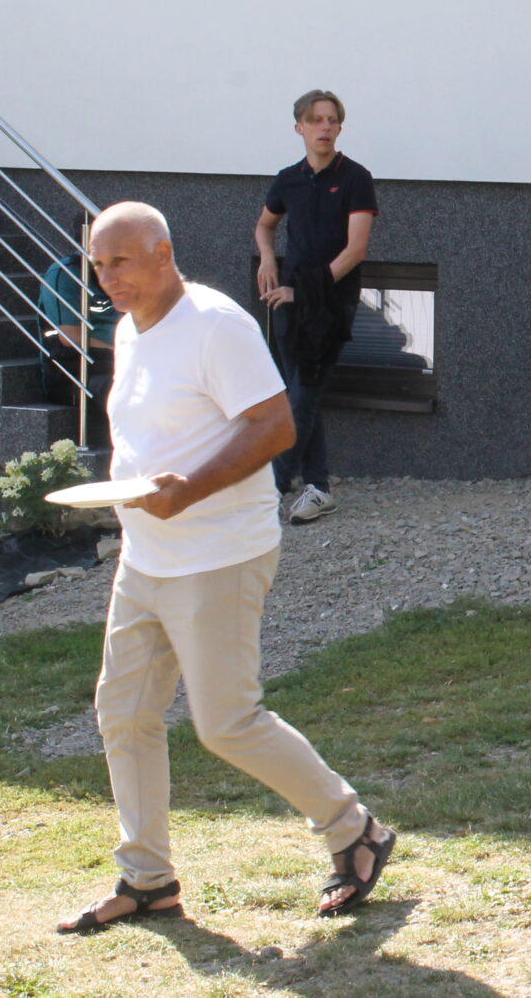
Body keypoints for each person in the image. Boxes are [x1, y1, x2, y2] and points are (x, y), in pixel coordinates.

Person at [58, 202, 395, 935]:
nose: (107, 278)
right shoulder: (131, 328)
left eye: (120, 262)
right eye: (99, 265)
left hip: (218, 554)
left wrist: (187, 491)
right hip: (147, 558)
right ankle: (147, 879)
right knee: (124, 712)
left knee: (227, 722)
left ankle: (355, 829)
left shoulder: (216, 325)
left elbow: (275, 426)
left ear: (163, 252)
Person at [254, 90, 377, 524]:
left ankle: (269, 490)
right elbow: (265, 225)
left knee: (303, 392)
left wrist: (303, 293)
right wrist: (267, 259)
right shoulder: (288, 179)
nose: (324, 127)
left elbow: (355, 250)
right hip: (288, 299)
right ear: (300, 128)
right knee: (302, 394)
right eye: (315, 120)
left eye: (331, 120)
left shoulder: (356, 178)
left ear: (340, 127)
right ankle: (319, 488)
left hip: (330, 303)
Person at [36, 220, 118, 405]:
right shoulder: (64, 273)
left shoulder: (121, 272)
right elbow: (70, 337)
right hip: (76, 372)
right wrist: (125, 350)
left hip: (119, 364)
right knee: (133, 392)